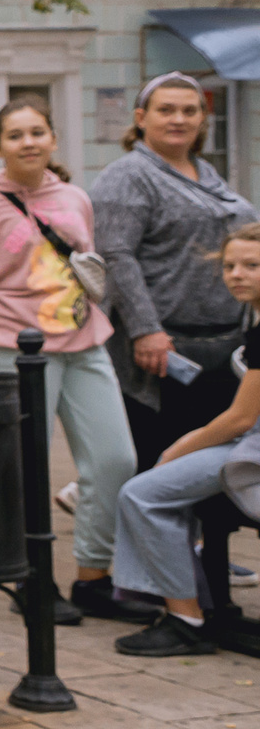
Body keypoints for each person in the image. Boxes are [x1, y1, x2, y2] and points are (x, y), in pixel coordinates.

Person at [0, 99, 140, 622]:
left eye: (37, 132)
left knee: (116, 460)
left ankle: (95, 577)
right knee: (23, 468)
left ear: (52, 139)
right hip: (14, 351)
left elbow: (86, 267)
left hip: (85, 344)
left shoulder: (75, 198)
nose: (28, 143)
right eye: (15, 135)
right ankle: (32, 578)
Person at [106, 222, 260, 657]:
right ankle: (181, 600)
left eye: (252, 265)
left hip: (251, 449)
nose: (237, 274)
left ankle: (185, 619)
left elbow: (240, 418)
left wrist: (177, 449)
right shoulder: (253, 318)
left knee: (142, 494)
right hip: (247, 441)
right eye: (230, 265)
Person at [94, 72, 257, 470]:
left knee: (212, 461)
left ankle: (203, 535)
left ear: (203, 119)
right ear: (140, 118)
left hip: (222, 345)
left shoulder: (208, 174)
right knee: (163, 458)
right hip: (164, 350)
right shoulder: (128, 175)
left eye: (189, 111)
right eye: (165, 110)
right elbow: (117, 255)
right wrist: (146, 329)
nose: (178, 119)